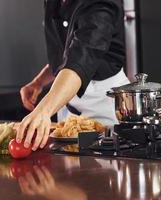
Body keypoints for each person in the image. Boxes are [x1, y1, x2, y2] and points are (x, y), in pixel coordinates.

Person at [17, 0, 130, 151]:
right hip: (67, 113)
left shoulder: (101, 4)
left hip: (105, 105)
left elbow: (80, 61)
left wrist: (43, 111)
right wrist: (39, 82)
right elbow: (65, 55)